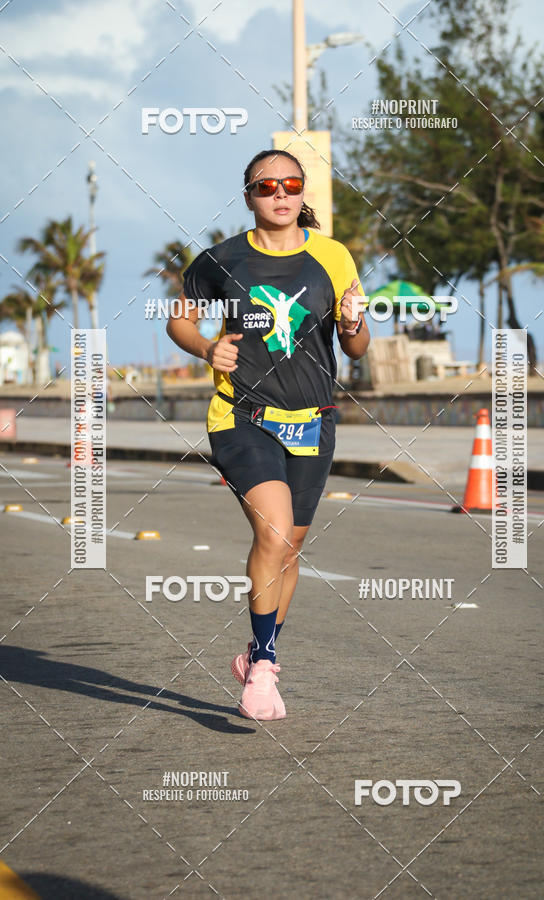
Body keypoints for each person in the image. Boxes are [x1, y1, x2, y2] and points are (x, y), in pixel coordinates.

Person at [166, 149, 370, 721]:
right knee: (275, 534)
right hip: (242, 416)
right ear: (249, 194)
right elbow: (179, 318)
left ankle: (257, 649)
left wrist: (353, 322)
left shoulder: (333, 257)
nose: (280, 194)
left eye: (291, 184)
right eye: (266, 186)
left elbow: (355, 346)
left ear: (304, 193)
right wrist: (207, 346)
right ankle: (264, 666)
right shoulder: (220, 260)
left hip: (315, 419)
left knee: (291, 549)